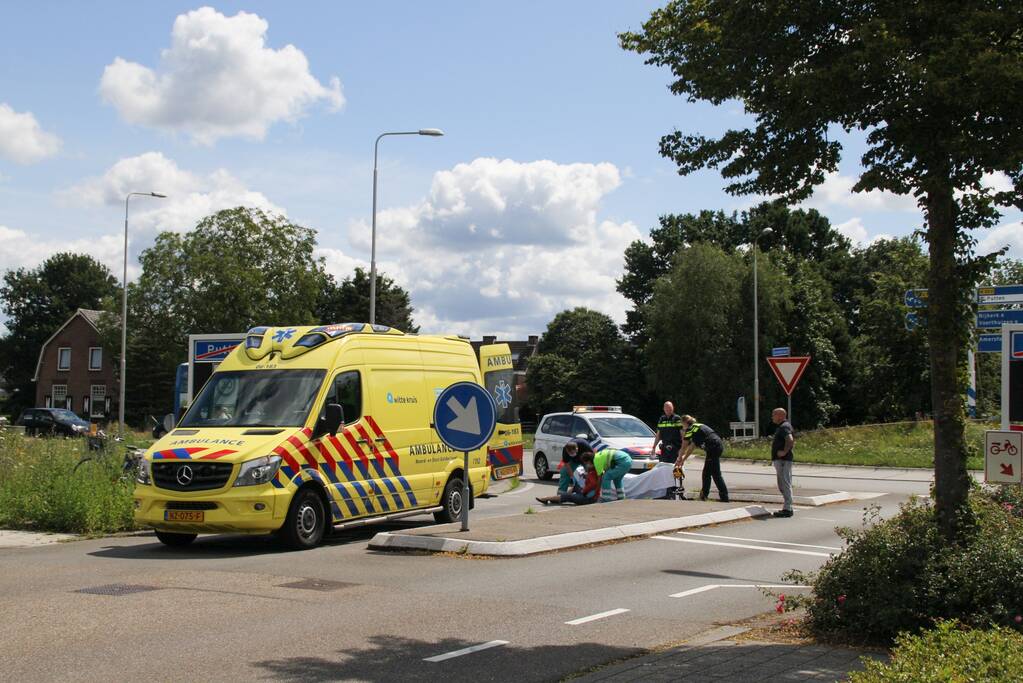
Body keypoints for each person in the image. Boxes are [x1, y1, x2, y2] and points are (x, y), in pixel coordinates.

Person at [678, 415, 729, 502]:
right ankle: (704, 496)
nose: (682, 427)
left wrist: (679, 459)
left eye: (682, 425)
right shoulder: (697, 427)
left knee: (715, 474)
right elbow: (691, 447)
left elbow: (684, 446)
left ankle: (723, 497)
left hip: (713, 447)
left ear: (685, 423)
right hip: (717, 446)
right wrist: (683, 459)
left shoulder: (690, 429)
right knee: (707, 473)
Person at [536, 452, 600, 505]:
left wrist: (584, 490)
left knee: (568, 496)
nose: (585, 465)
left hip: (588, 498)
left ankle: (546, 498)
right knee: (575, 487)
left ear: (589, 462)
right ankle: (559, 498)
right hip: (590, 495)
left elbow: (593, 484)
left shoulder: (592, 472)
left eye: (586, 463)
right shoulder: (595, 469)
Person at [771, 408, 795, 518]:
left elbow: (790, 439)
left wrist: (784, 451)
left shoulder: (784, 426)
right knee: (782, 484)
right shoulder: (782, 426)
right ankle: (787, 507)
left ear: (780, 415)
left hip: (783, 460)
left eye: (774, 414)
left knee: (785, 483)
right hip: (781, 460)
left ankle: (788, 509)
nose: (772, 417)